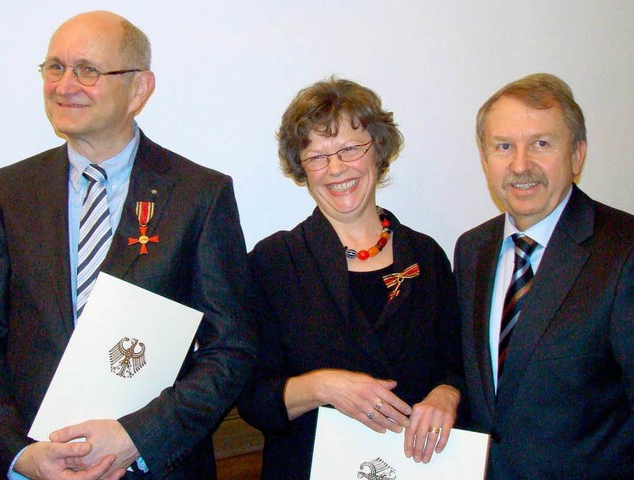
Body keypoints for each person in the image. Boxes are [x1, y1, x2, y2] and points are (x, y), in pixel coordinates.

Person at [0, 10, 256, 480]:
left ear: (140, 89)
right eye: (55, 67)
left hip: (154, 468)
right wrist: (19, 455)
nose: (64, 85)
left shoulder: (199, 195)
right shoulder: (6, 195)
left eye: (88, 70)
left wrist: (137, 437)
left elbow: (230, 349)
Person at [237, 77, 464, 479]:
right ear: (301, 169)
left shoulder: (427, 256)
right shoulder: (272, 263)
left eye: (349, 148)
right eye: (317, 156)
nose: (336, 168)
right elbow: (252, 398)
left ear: (377, 151)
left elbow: (456, 366)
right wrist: (325, 387)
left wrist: (447, 395)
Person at [454, 73, 634, 479]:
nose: (521, 165)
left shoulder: (624, 250)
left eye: (541, 144)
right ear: (485, 160)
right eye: (503, 147)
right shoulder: (471, 250)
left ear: (577, 155)